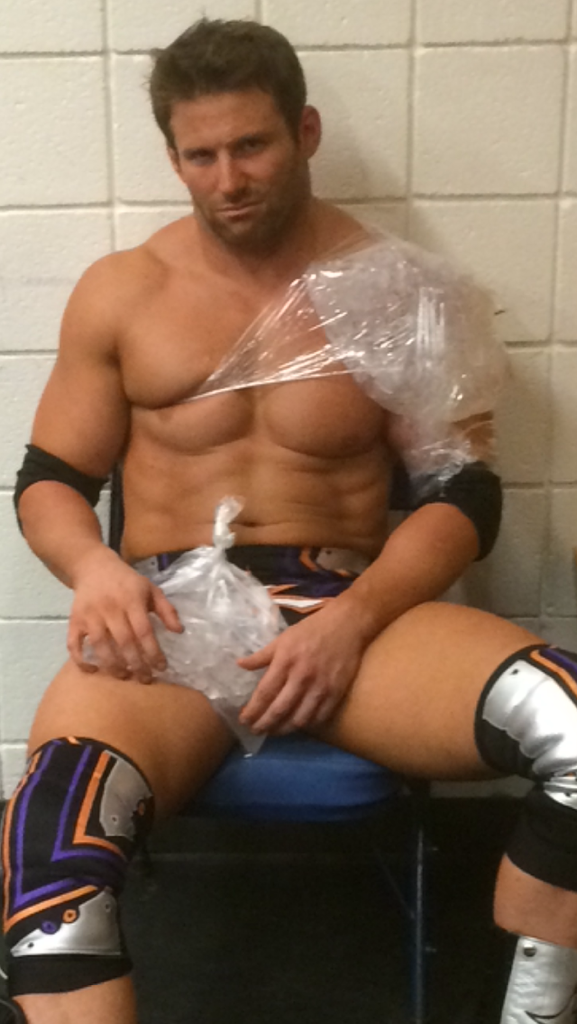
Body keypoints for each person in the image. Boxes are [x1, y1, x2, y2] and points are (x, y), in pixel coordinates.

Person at [3, 18, 577, 1024]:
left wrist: (353, 620)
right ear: (174, 158)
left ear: (304, 132)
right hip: (171, 619)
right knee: (48, 854)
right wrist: (93, 569)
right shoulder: (123, 292)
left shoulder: (397, 292)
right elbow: (49, 478)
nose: (229, 179)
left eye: (252, 145)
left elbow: (461, 496)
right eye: (201, 155)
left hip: (344, 607)